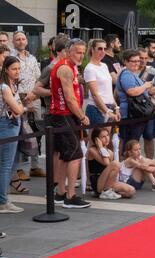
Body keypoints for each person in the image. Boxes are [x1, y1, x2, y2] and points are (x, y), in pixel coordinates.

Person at [49, 38, 91, 209]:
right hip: (63, 115)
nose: (81, 56)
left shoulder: (70, 66)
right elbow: (69, 98)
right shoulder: (65, 68)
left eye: (82, 52)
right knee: (76, 155)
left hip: (62, 115)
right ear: (68, 51)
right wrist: (82, 116)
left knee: (65, 156)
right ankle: (70, 196)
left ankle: (60, 193)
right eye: (77, 52)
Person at [12, 31, 46, 179]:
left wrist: (34, 95)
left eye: (23, 38)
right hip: (18, 98)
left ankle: (35, 166)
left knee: (36, 131)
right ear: (14, 42)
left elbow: (38, 78)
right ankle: (18, 169)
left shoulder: (32, 58)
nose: (21, 41)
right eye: (18, 39)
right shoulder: (11, 58)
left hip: (35, 97)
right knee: (21, 132)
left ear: (27, 41)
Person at [116, 49, 154, 152]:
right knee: (131, 143)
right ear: (125, 61)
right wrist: (145, 85)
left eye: (138, 60)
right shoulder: (126, 74)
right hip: (132, 113)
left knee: (134, 141)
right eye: (133, 61)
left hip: (137, 112)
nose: (137, 63)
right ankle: (128, 165)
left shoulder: (131, 73)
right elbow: (131, 92)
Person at [0, 56, 25, 213]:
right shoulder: (5, 87)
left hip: (11, 124)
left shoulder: (12, 85)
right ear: (6, 70)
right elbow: (18, 109)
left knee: (7, 164)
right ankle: (3, 201)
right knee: (6, 165)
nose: (17, 71)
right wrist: (20, 108)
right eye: (14, 69)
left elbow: (19, 106)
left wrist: (19, 107)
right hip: (6, 125)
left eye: (18, 68)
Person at [87, 128, 135, 199]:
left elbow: (111, 169)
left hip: (109, 182)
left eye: (107, 135)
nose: (106, 139)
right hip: (98, 182)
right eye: (103, 137)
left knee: (131, 191)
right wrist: (100, 147)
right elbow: (106, 163)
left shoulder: (110, 152)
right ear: (97, 139)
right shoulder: (92, 150)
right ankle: (104, 192)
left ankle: (108, 191)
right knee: (115, 163)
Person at [136, 47, 155, 161]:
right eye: (140, 58)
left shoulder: (152, 71)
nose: (143, 60)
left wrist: (153, 91)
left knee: (149, 136)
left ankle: (150, 161)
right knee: (134, 138)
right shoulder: (129, 70)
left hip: (148, 108)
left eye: (145, 58)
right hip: (134, 108)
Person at [84, 39, 120, 126]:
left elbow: (108, 91)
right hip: (96, 109)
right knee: (97, 139)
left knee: (108, 139)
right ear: (92, 50)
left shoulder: (104, 66)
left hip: (110, 107)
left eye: (104, 48)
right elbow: (95, 95)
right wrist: (107, 112)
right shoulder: (90, 68)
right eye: (100, 48)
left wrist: (116, 107)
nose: (103, 51)